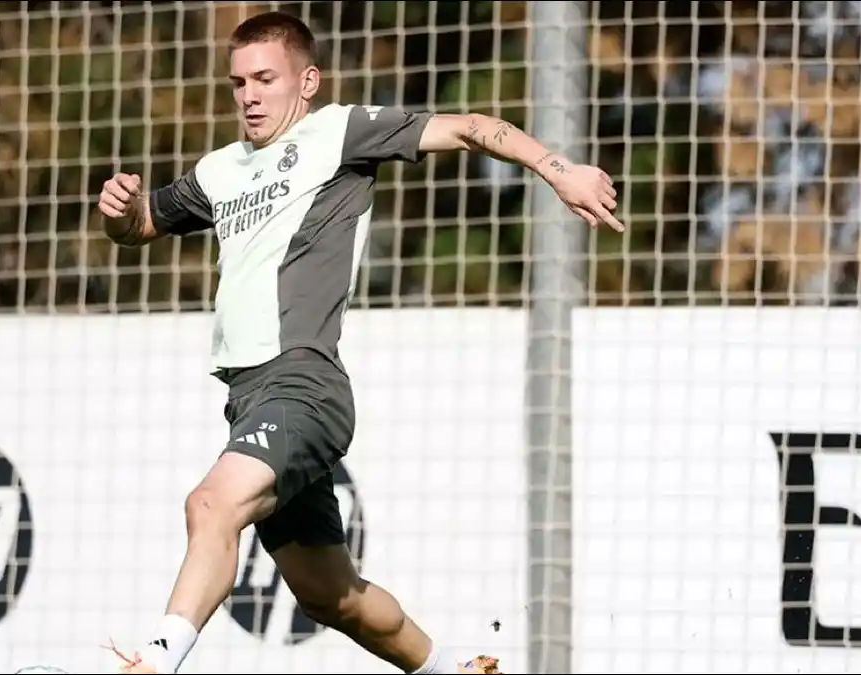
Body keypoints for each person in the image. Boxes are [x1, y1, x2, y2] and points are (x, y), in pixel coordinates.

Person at [94, 11, 623, 675]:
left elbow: (467, 127)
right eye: (239, 83)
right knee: (328, 593)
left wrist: (557, 168)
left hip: (303, 386)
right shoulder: (220, 170)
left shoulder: (339, 133)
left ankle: (155, 659)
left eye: (265, 79)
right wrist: (120, 213)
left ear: (307, 81)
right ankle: (452, 667)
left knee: (210, 503)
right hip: (250, 397)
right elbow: (143, 225)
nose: (249, 95)